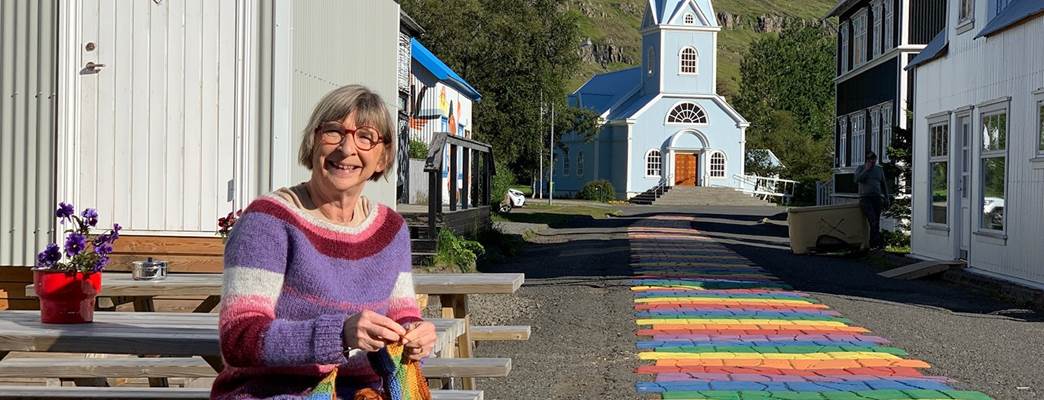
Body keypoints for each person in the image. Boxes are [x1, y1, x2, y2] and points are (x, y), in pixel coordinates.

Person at [212, 85, 437, 399]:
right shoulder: (268, 222)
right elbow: (238, 339)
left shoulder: (392, 229)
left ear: (383, 157)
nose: (346, 149)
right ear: (313, 142)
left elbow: (403, 316)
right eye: (334, 132)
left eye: (365, 137)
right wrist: (340, 334)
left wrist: (416, 336)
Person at [854, 151, 890, 251]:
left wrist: (887, 197)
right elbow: (857, 179)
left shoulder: (879, 169)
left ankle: (875, 245)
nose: (873, 162)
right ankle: (874, 244)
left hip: (877, 198)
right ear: (867, 160)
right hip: (865, 198)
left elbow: (883, 184)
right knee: (872, 220)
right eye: (871, 159)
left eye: (874, 159)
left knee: (876, 221)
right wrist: (866, 170)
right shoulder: (861, 168)